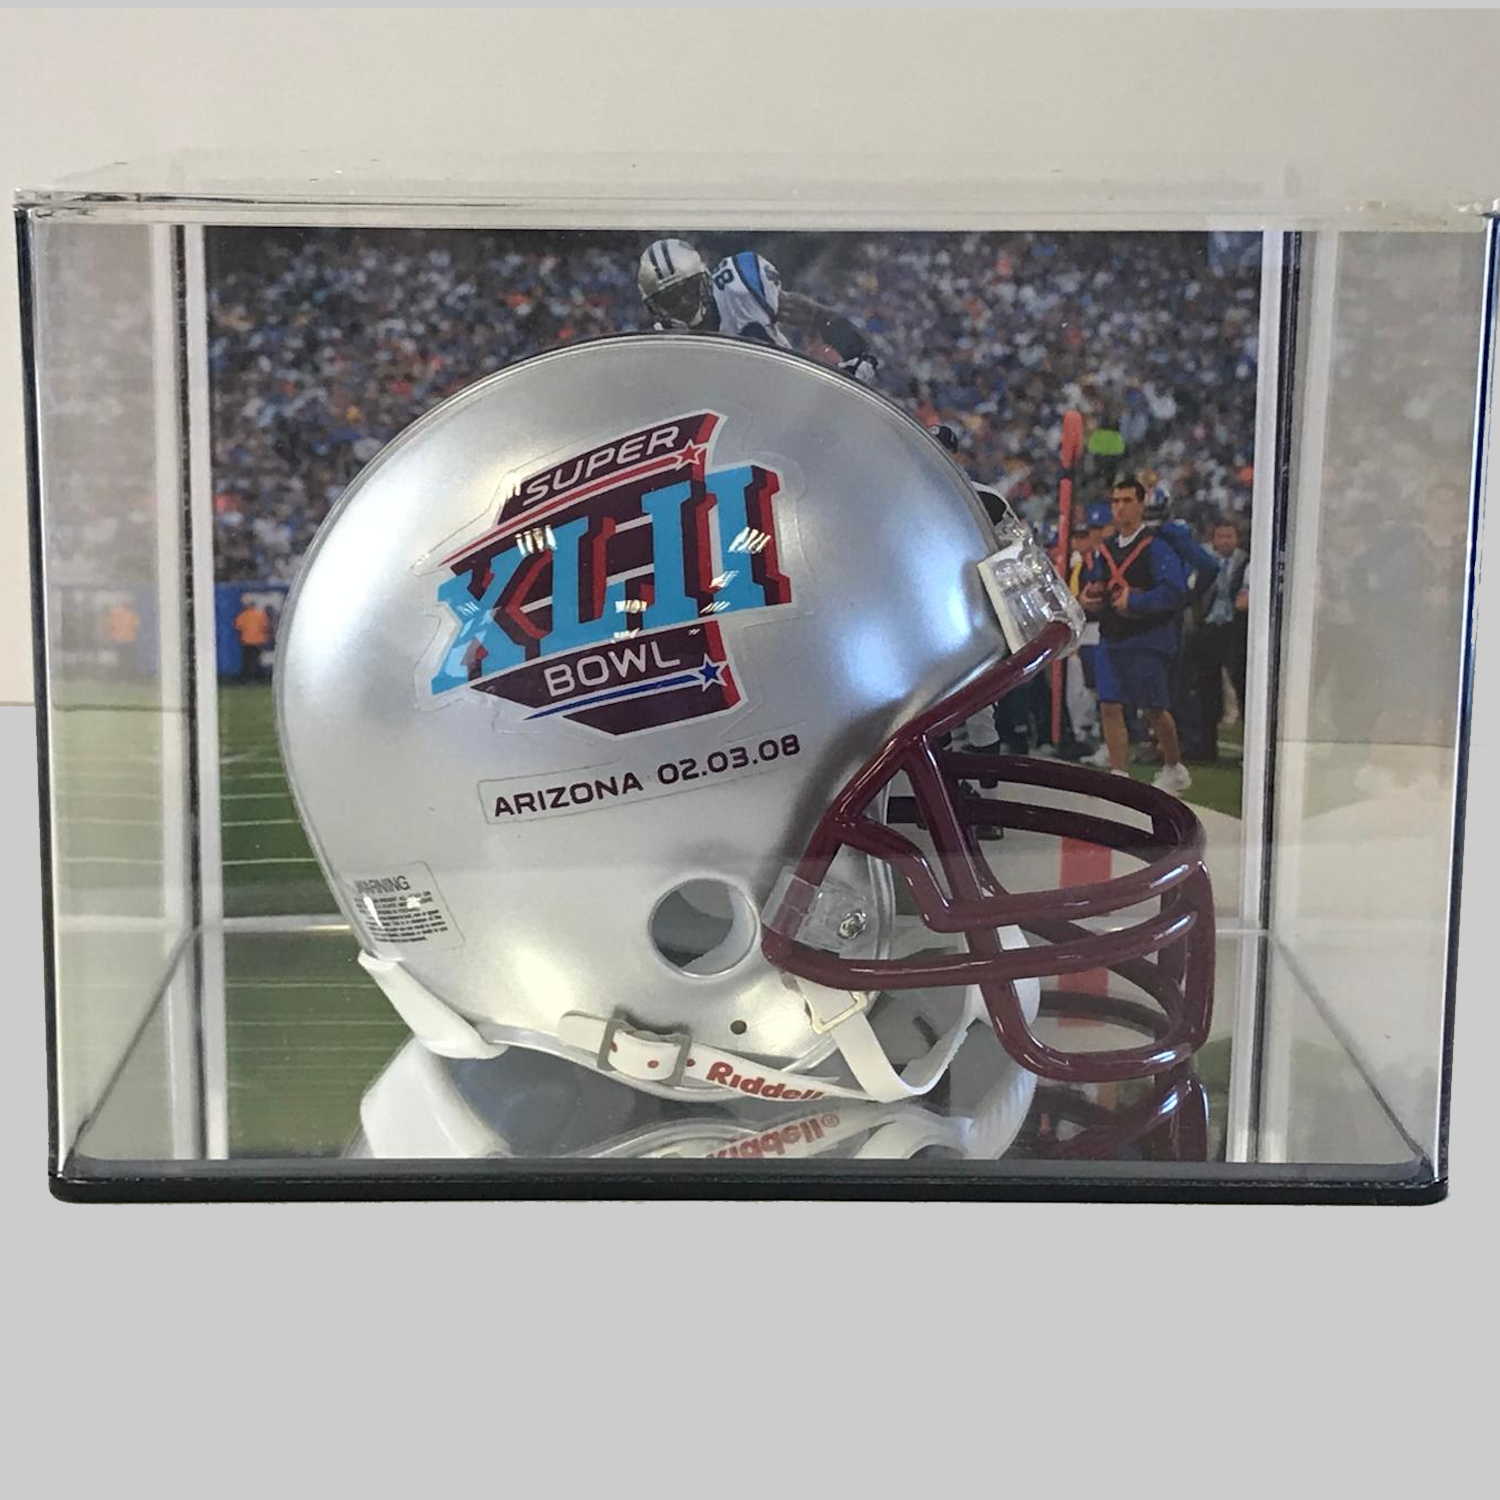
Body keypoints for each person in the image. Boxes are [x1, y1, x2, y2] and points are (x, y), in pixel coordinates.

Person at [1080, 478, 1192, 794]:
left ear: (1141, 504)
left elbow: (1174, 592)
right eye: (1116, 501)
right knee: (1109, 704)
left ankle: (1174, 766)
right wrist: (1090, 598)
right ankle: (1119, 772)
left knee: (1153, 707)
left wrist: (1138, 601)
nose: (1120, 507)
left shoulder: (1156, 546)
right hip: (1112, 634)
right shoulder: (1107, 549)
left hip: (1147, 636)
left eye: (1127, 500)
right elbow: (1095, 585)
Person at [637, 238, 878, 381]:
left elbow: (818, 316)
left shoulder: (739, 289)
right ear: (656, 308)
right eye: (670, 300)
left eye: (686, 290)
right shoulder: (665, 349)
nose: (683, 304)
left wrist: (856, 355)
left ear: (704, 279)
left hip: (788, 390)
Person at [1191, 518, 1250, 761]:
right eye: (1221, 536)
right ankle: (1207, 748)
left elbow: (1247, 593)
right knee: (1207, 689)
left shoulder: (1246, 563)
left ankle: (1250, 749)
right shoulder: (1204, 563)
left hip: (1235, 629)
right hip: (1209, 628)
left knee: (1242, 685)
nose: (1225, 541)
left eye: (1229, 536)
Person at [234, 596, 273, 681]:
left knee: (247, 662)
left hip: (247, 642)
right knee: (257, 661)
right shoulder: (261, 614)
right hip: (259, 642)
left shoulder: (242, 616)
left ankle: (247, 678)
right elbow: (266, 626)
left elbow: (238, 627)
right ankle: (259, 678)